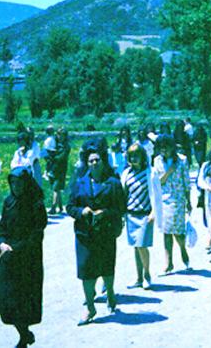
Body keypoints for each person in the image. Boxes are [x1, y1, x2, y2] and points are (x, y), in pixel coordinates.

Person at [67, 143, 126, 325]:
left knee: (107, 267)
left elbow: (121, 208)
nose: (94, 163)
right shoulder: (79, 182)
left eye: (97, 160)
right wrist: (81, 211)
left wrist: (105, 212)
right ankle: (90, 307)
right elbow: (70, 207)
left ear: (103, 161)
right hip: (85, 235)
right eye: (90, 160)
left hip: (106, 232)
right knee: (86, 270)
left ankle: (110, 293)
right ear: (87, 163)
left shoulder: (113, 183)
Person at [0, 167, 47, 348]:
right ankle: (25, 334)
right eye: (13, 183)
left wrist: (16, 249)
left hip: (28, 260)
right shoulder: (9, 201)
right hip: (8, 257)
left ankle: (23, 337)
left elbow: (37, 234)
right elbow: (2, 227)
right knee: (6, 298)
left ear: (27, 183)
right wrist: (1, 243)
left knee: (22, 301)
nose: (16, 186)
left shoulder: (36, 204)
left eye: (19, 183)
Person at [151, 135, 191, 275]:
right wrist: (169, 172)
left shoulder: (182, 160)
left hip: (178, 200)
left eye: (166, 147)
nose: (164, 150)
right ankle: (168, 262)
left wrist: (189, 200)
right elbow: (158, 182)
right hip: (164, 200)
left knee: (178, 231)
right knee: (166, 231)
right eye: (161, 147)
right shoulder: (157, 161)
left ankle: (183, 250)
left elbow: (186, 182)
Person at [121, 144, 155, 289]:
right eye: (131, 156)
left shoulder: (150, 173)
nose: (134, 158)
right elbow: (123, 194)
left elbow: (156, 194)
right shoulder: (126, 173)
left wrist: (154, 212)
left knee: (142, 246)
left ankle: (147, 275)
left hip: (145, 215)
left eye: (137, 156)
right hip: (131, 214)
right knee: (136, 247)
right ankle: (138, 278)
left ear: (142, 157)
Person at [48, 128, 70, 215]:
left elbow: (62, 157)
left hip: (61, 169)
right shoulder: (55, 143)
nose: (60, 136)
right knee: (57, 188)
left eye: (62, 135)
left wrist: (52, 157)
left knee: (56, 188)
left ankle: (53, 207)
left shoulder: (66, 146)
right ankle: (60, 206)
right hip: (53, 168)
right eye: (58, 134)